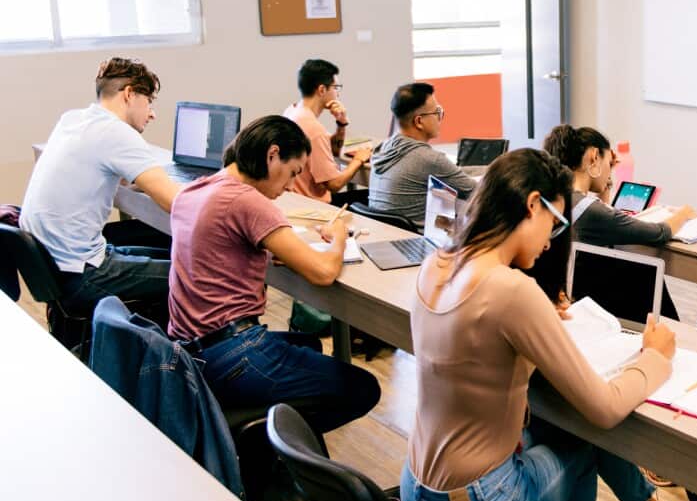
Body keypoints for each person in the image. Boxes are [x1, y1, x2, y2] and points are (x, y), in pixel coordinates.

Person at [399, 148, 697, 501]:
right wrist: (654, 358)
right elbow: (603, 410)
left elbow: (478, 345)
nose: (552, 239)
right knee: (586, 443)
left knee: (554, 426)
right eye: (555, 221)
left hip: (416, 490)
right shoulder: (511, 290)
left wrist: (538, 322)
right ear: (533, 204)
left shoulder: (435, 264)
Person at [166, 115, 380, 434]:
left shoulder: (194, 190)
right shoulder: (248, 200)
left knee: (308, 344)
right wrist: (338, 236)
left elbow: (218, 249)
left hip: (189, 351)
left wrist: (265, 253)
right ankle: (269, 441)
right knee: (364, 388)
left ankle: (277, 435)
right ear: (272, 155)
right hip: (233, 353)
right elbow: (323, 272)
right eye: (293, 172)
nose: (291, 186)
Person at [21, 57, 181, 318]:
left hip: (58, 267)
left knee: (171, 256)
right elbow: (175, 202)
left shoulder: (72, 120)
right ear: (130, 94)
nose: (152, 113)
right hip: (83, 273)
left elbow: (110, 173)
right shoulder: (116, 132)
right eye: (149, 101)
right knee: (196, 276)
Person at [543, 124, 697, 246]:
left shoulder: (561, 196)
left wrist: (606, 175)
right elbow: (660, 233)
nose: (610, 168)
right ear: (594, 156)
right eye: (609, 162)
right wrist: (684, 213)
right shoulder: (588, 210)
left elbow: (600, 217)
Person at [368, 82, 476, 230]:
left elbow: (451, 173)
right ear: (419, 121)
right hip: (419, 243)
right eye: (437, 112)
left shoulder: (384, 148)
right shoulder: (429, 159)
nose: (440, 117)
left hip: (384, 235)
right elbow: (477, 192)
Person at [282, 59, 371, 205]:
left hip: (296, 201)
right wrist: (358, 160)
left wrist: (341, 123)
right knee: (372, 197)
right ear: (322, 90)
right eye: (336, 87)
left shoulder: (292, 110)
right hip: (314, 206)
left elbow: (333, 151)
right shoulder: (313, 128)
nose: (338, 93)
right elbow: (334, 185)